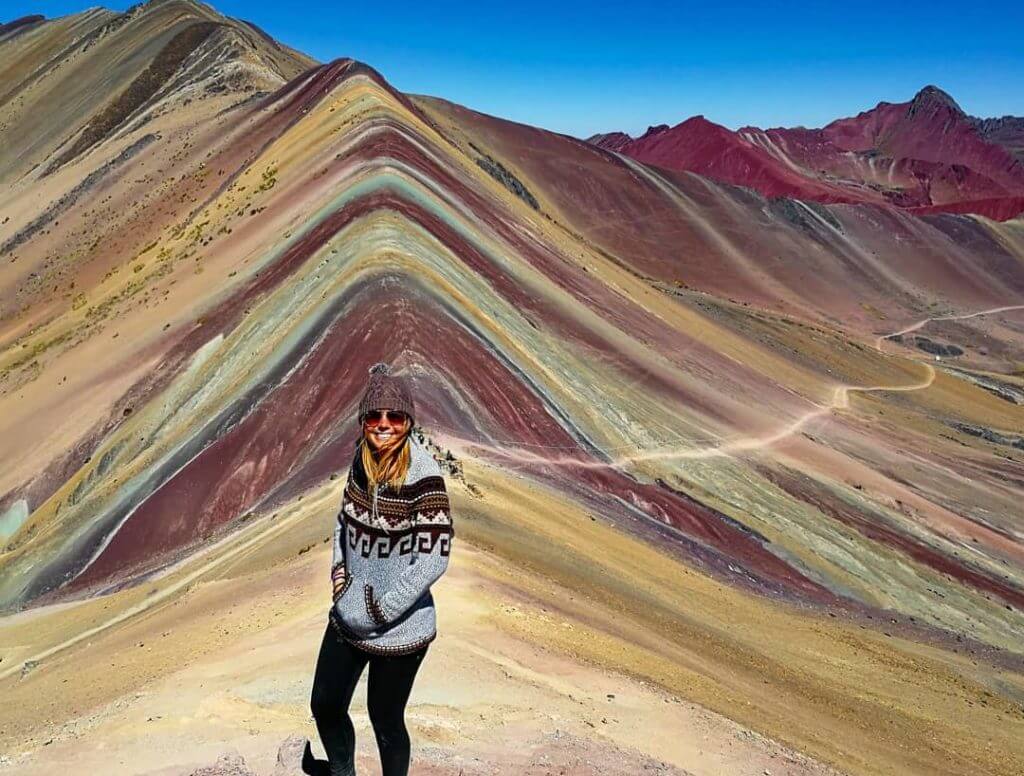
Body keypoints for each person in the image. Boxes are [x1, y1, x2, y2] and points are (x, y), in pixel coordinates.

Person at [305, 362, 455, 776]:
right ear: (363, 421)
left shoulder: (425, 476)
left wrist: (379, 608)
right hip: (349, 615)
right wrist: (340, 581)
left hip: (401, 628)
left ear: (408, 421)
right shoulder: (360, 461)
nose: (383, 424)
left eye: (394, 416)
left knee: (385, 720)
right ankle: (342, 772)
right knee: (325, 704)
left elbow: (434, 556)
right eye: (374, 416)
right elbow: (343, 523)